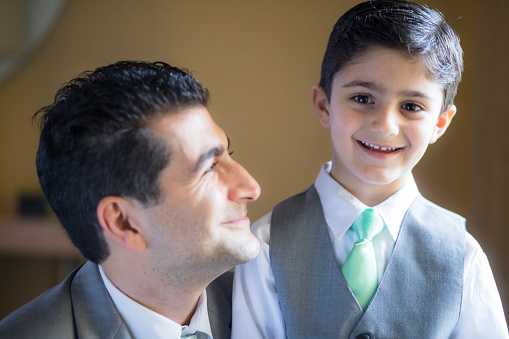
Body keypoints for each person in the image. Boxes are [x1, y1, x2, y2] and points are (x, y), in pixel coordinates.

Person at [232, 1, 508, 338]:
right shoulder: (266, 246)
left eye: (411, 106)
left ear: (440, 123)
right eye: (363, 98)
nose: (385, 126)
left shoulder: (463, 259)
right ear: (324, 105)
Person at [0, 61, 261, 338]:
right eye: (209, 167)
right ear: (125, 223)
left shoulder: (273, 305)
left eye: (228, 155)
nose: (251, 187)